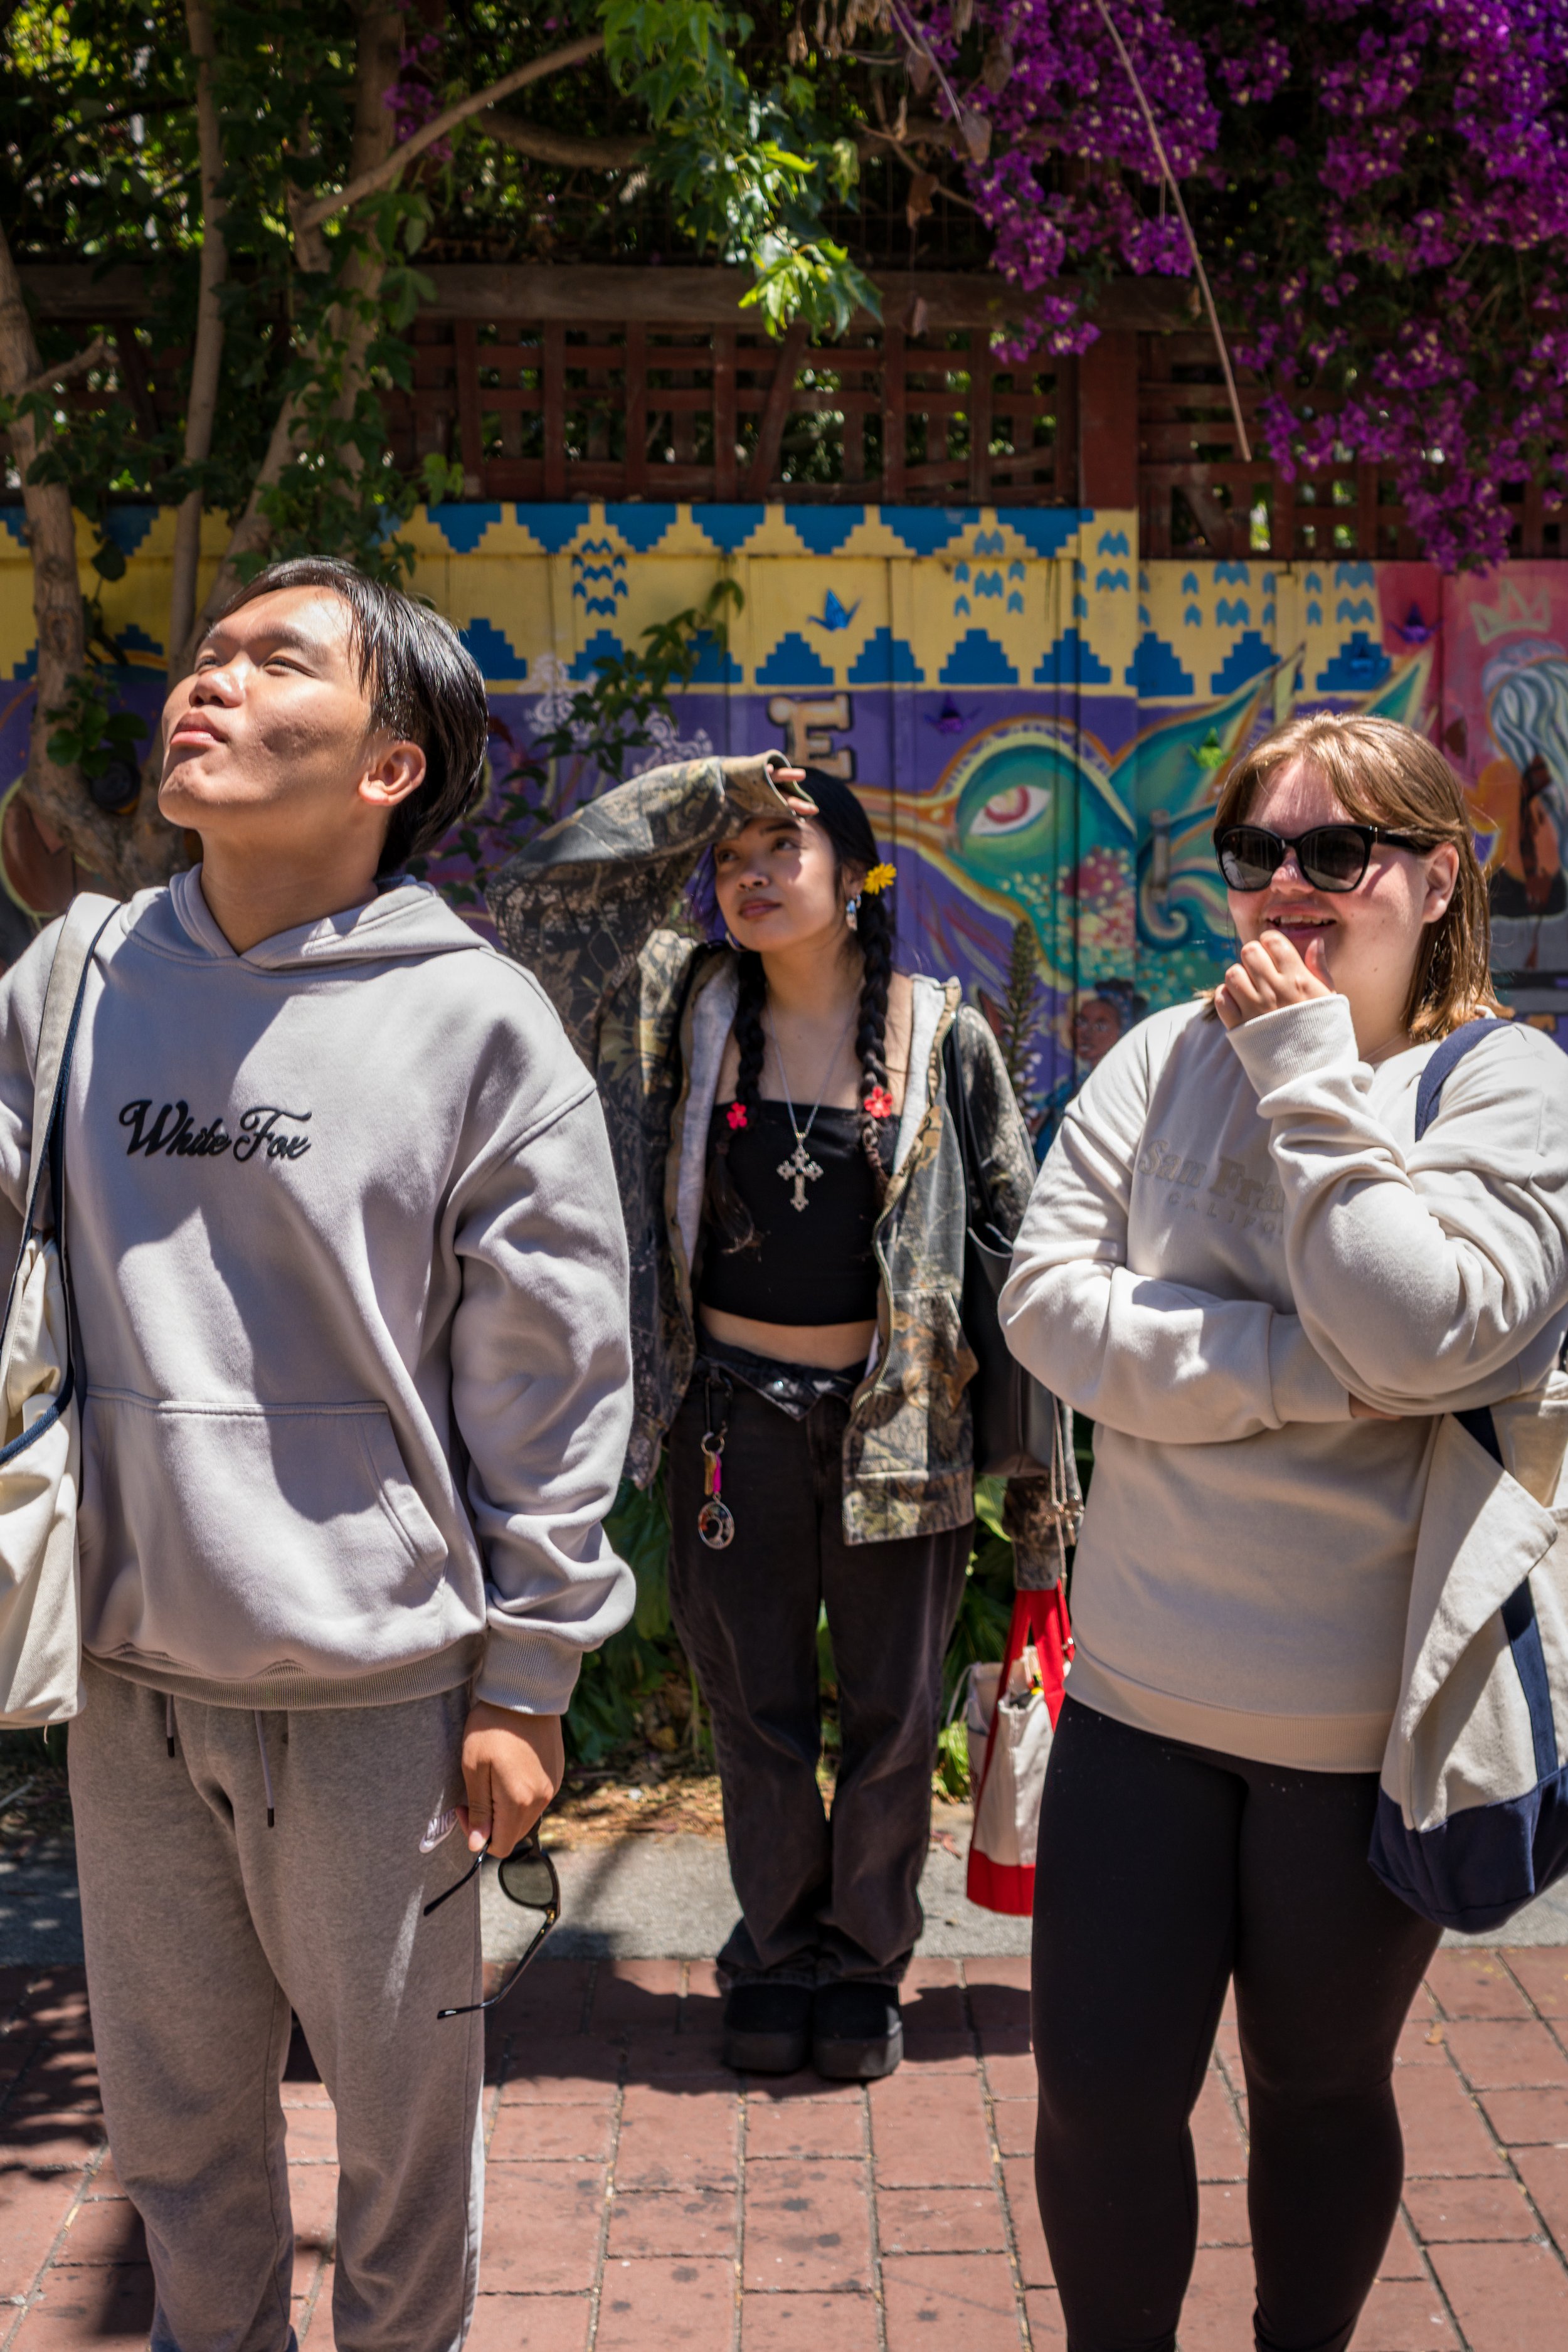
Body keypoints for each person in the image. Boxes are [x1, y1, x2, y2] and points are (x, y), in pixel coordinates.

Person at [0, 559, 635, 2352]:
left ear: (389, 766)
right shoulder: (82, 971)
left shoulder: (476, 1023)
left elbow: (556, 1375)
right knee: (181, 2146)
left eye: (276, 661)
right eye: (209, 652)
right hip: (129, 1679)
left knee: (400, 2148)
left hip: (386, 1698)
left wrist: (528, 1667)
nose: (209, 681)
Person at [999, 711, 1568, 2352]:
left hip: (1358, 1733)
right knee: (1098, 2090)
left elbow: (1429, 1328)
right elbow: (1047, 1306)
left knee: (1318, 2088)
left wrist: (1311, 1074)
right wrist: (1306, 1371)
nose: (1290, 886)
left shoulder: (1508, 1086)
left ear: (1435, 873)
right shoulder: (1157, 1054)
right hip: (1136, 1706)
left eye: (1340, 850)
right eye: (1258, 852)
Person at [489, 760, 1068, 2080]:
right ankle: (772, 1951)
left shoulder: (945, 1032)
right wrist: (703, 788)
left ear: (859, 876)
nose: (745, 870)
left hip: (898, 1430)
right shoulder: (676, 1008)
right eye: (727, 853)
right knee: (749, 1710)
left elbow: (1011, 1244)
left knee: (889, 1717)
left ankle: (859, 1966)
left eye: (781, 845)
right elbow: (545, 904)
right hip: (724, 1417)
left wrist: (1039, 1496)